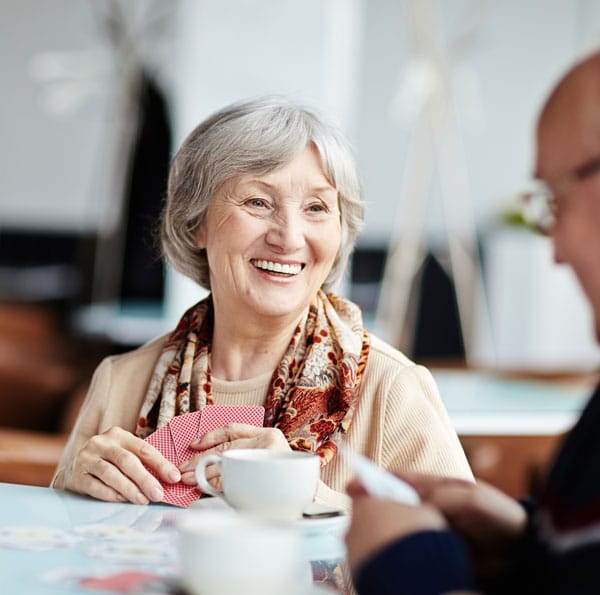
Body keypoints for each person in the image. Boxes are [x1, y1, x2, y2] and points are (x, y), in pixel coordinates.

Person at [51, 96, 472, 509]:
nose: (288, 237)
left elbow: (464, 554)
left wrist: (307, 495)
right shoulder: (120, 382)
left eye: (316, 207)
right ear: (196, 223)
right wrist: (71, 489)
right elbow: (65, 558)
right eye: (258, 202)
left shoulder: (391, 387)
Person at [345, 50, 600, 594]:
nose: (552, 250)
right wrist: (521, 534)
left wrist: (407, 563)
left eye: (556, 199)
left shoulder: (393, 380)